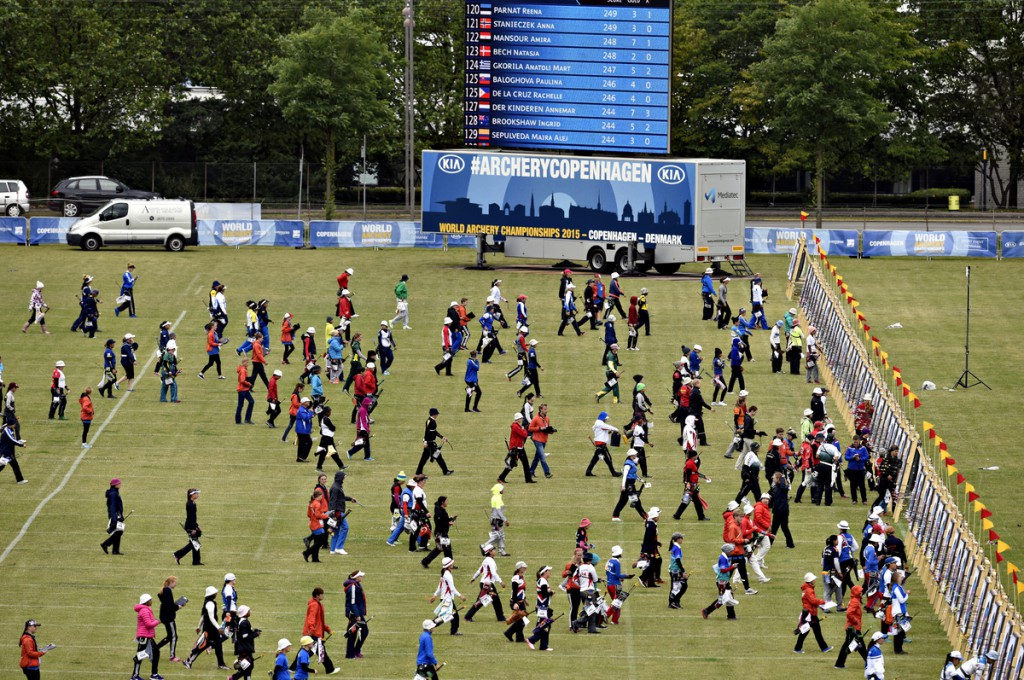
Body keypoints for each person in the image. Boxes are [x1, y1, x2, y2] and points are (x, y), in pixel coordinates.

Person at [183, 586, 227, 670]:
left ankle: (221, 664)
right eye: (215, 593)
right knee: (202, 646)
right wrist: (218, 628)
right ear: (212, 594)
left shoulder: (207, 602)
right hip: (210, 629)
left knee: (218, 645)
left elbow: (203, 616)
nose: (216, 594)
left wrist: (199, 626)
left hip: (212, 628)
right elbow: (211, 617)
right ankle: (188, 661)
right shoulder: (210, 604)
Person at [466, 543, 505, 622]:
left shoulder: (486, 560)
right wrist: (500, 581)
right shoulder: (490, 560)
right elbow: (493, 573)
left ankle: (500, 617)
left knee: (494, 600)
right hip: (487, 584)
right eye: (493, 549)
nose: (495, 550)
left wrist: (474, 578)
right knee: (483, 601)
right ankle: (468, 616)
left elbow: (479, 570)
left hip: (484, 583)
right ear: (490, 552)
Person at [794, 572, 832, 654]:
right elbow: (813, 601)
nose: (815, 580)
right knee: (807, 631)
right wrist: (822, 602)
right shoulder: (809, 590)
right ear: (810, 581)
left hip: (810, 613)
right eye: (813, 579)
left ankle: (824, 647)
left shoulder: (807, 589)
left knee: (816, 631)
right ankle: (797, 648)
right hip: (810, 614)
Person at [303, 587, 336, 673]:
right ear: (318, 595)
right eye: (322, 594)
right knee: (320, 651)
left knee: (312, 650)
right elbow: (311, 619)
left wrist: (327, 629)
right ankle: (330, 669)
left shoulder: (317, 604)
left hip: (315, 632)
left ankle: (293, 667)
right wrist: (312, 630)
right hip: (314, 633)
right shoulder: (315, 605)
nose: (323, 596)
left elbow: (320, 621)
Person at [701, 544, 738, 620]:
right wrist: (732, 567)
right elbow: (723, 570)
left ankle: (731, 616)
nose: (732, 552)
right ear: (727, 551)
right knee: (724, 599)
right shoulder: (723, 558)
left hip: (724, 581)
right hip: (722, 582)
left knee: (727, 598)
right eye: (731, 551)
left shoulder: (724, 556)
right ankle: (707, 611)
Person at [835, 585, 867, 669]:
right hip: (853, 628)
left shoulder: (855, 600)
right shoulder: (855, 602)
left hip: (853, 628)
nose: (861, 592)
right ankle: (869, 663)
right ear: (856, 593)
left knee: (858, 646)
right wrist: (856, 621)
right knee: (859, 646)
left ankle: (839, 664)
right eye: (860, 591)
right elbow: (849, 613)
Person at [673, 449, 710, 521]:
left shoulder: (691, 462)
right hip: (691, 486)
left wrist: (704, 476)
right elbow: (688, 474)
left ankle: (677, 515)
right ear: (693, 456)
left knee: (687, 501)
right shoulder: (689, 464)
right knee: (696, 502)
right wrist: (688, 483)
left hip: (691, 485)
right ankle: (701, 517)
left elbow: (695, 473)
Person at [131, 593, 161, 680]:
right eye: (150, 600)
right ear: (146, 602)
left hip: (147, 636)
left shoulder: (145, 609)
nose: (151, 601)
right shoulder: (144, 611)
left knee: (155, 652)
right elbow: (148, 624)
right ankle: (135, 676)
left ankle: (154, 674)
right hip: (144, 637)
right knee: (140, 655)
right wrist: (158, 621)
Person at [569, 552, 600, 634]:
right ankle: (576, 623)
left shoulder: (579, 568)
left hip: (582, 590)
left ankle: (591, 628)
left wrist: (580, 584)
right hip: (589, 591)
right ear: (590, 560)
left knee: (590, 609)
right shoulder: (591, 568)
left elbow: (574, 579)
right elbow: (595, 579)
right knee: (591, 610)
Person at [612, 449, 646, 521]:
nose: (636, 455)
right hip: (629, 486)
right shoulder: (628, 464)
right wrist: (623, 486)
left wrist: (643, 481)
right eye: (635, 454)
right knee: (636, 501)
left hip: (630, 484)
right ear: (631, 455)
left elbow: (634, 475)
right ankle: (645, 516)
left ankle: (615, 516)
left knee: (623, 501)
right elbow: (625, 475)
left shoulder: (631, 462)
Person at [156, 576, 185, 662]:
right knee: (173, 636)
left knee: (169, 637)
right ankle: (172, 656)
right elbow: (170, 606)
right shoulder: (168, 591)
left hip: (165, 617)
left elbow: (166, 604)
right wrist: (179, 606)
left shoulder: (164, 590)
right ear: (171, 582)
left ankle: (155, 648)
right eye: (175, 582)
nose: (176, 584)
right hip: (169, 618)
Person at [417, 407, 452, 476]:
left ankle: (418, 472)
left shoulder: (432, 421)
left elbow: (434, 432)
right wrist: (425, 442)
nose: (437, 415)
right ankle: (445, 471)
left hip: (430, 442)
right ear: (433, 414)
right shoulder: (430, 422)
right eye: (436, 414)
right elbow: (427, 433)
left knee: (426, 458)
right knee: (436, 456)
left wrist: (442, 437)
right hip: (429, 444)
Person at [498, 413, 533, 484]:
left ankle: (528, 479)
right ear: (518, 419)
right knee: (512, 463)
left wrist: (523, 429)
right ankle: (501, 477)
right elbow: (524, 435)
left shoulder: (518, 426)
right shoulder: (515, 427)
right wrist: (525, 430)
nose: (522, 419)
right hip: (516, 448)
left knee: (525, 463)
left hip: (520, 447)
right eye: (521, 418)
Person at [172, 488, 203, 566]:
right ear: (192, 495)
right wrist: (194, 529)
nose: (197, 495)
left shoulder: (192, 503)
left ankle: (195, 561)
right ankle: (177, 555)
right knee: (194, 543)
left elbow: (193, 517)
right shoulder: (190, 504)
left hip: (191, 525)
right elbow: (191, 518)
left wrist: (197, 525)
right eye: (196, 493)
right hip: (190, 526)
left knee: (194, 543)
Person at [422, 496, 455, 568]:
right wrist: (448, 523)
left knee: (445, 549)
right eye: (446, 501)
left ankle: (449, 564)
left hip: (443, 532)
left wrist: (450, 519)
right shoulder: (439, 512)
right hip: (440, 533)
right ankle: (425, 561)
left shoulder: (442, 510)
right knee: (443, 548)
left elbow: (444, 520)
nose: (447, 502)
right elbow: (438, 523)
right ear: (442, 502)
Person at [527, 566, 555, 651]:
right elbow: (544, 594)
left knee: (545, 625)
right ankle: (531, 640)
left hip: (543, 607)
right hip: (541, 607)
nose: (550, 572)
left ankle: (544, 646)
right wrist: (551, 592)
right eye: (548, 571)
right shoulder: (543, 581)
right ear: (544, 572)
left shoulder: (543, 580)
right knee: (543, 626)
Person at [328, 470, 355, 555]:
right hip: (338, 512)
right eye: (343, 477)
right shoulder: (336, 488)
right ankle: (339, 547)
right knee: (345, 528)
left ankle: (332, 549)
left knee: (335, 530)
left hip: (337, 512)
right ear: (340, 477)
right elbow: (332, 502)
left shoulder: (337, 486)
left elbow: (341, 497)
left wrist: (350, 499)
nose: (344, 478)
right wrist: (333, 515)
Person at [586, 411, 619, 477]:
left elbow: (603, 431)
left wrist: (609, 432)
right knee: (608, 459)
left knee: (594, 459)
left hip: (599, 445)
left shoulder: (598, 424)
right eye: (605, 418)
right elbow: (608, 427)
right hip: (601, 445)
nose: (606, 419)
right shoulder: (600, 424)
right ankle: (613, 473)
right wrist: (616, 430)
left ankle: (588, 471)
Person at [229, 605, 258, 680]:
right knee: (248, 666)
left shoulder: (242, 621)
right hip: (245, 648)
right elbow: (245, 636)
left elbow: (246, 632)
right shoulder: (244, 623)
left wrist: (253, 631)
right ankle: (233, 678)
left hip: (244, 647)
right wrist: (255, 634)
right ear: (245, 613)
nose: (249, 612)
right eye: (248, 611)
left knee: (248, 667)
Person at [528, 402, 554, 479]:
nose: (546, 410)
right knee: (542, 456)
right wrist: (539, 428)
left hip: (544, 440)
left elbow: (547, 428)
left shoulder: (547, 419)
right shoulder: (535, 418)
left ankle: (531, 472)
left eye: (547, 409)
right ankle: (547, 472)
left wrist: (551, 431)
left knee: (537, 457)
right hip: (537, 439)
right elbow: (530, 428)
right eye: (545, 409)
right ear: (541, 410)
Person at [303, 488, 329, 562]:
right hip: (316, 524)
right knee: (322, 541)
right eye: (321, 496)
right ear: (318, 496)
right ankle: (306, 553)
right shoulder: (317, 504)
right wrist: (326, 516)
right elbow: (318, 515)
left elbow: (308, 514)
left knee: (317, 541)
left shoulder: (312, 503)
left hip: (312, 523)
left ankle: (315, 558)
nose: (322, 498)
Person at [99, 477, 124, 554]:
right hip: (115, 515)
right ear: (115, 485)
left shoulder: (114, 492)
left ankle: (115, 550)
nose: (120, 484)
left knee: (119, 531)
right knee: (119, 531)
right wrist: (114, 518)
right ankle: (105, 544)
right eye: (119, 483)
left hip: (117, 514)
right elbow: (112, 507)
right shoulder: (113, 494)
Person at [639, 507, 662, 587]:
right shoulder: (651, 525)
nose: (659, 517)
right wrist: (656, 543)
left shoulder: (650, 523)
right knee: (653, 563)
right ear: (654, 516)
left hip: (651, 547)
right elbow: (650, 538)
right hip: (650, 549)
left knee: (655, 562)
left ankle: (651, 582)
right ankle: (643, 578)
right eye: (658, 515)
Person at [667, 532, 688, 609]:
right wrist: (683, 571)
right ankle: (675, 602)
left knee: (674, 586)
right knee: (683, 586)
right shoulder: (677, 548)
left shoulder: (675, 547)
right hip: (675, 570)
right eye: (681, 538)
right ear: (678, 539)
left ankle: (671, 602)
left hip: (673, 570)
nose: (682, 539)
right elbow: (678, 561)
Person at [489, 483, 510, 556]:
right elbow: (498, 511)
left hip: (497, 520)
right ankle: (485, 546)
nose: (503, 490)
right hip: (496, 520)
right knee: (497, 537)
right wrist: (505, 520)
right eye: (502, 489)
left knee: (501, 536)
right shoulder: (497, 498)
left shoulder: (497, 497)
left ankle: (502, 552)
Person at [234, 357, 254, 425]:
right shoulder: (243, 370)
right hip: (242, 390)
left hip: (245, 389)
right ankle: (238, 421)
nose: (248, 363)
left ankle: (247, 419)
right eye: (247, 362)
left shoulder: (243, 369)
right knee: (240, 405)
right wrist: (249, 384)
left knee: (251, 402)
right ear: (243, 362)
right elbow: (242, 380)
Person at [295, 397, 314, 463]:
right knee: (309, 442)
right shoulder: (301, 410)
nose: (309, 402)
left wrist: (312, 414)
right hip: (302, 430)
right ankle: (302, 457)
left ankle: (299, 458)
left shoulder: (304, 409)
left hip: (302, 430)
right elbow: (306, 418)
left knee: (301, 444)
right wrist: (311, 413)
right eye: (307, 401)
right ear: (304, 403)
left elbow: (308, 416)